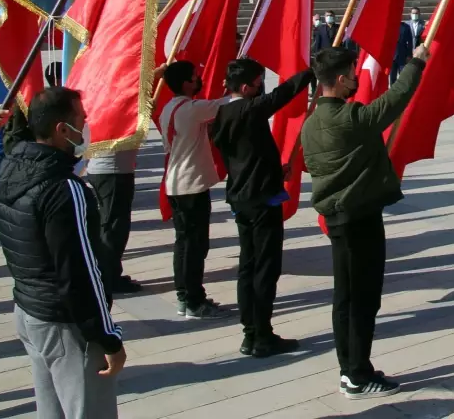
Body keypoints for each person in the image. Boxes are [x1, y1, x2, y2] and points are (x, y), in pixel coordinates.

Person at [300, 44, 427, 399]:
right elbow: (395, 100)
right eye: (352, 74)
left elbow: (312, 165)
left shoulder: (311, 124)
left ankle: (351, 368)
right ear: (340, 81)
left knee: (345, 298)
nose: (356, 79)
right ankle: (357, 375)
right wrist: (417, 61)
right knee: (363, 301)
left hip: (338, 219)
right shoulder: (348, 118)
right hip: (358, 218)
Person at [0, 90, 125, 418]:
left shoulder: (9, 169)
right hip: (66, 323)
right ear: (62, 129)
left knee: (51, 410)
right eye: (82, 120)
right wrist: (107, 337)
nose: (87, 125)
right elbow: (81, 272)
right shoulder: (64, 189)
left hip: (29, 310)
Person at [210, 59, 314, 357]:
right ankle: (263, 335)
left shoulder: (221, 114)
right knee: (265, 269)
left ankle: (250, 332)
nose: (261, 89)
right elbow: (281, 95)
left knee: (248, 266)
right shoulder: (246, 109)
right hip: (260, 201)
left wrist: (272, 170)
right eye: (257, 84)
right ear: (245, 88)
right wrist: (309, 73)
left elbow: (246, 154)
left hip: (242, 196)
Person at [157, 62, 230, 320]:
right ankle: (194, 300)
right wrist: (235, 88)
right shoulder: (191, 109)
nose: (199, 80)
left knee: (184, 243)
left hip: (177, 183)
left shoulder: (170, 107)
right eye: (195, 77)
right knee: (195, 245)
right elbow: (226, 104)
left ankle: (184, 295)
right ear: (187, 83)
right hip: (190, 185)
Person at [84, 135, 143, 295]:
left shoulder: (99, 109)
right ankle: (109, 279)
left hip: (108, 168)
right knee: (113, 228)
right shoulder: (112, 110)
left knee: (113, 226)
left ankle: (111, 273)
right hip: (111, 170)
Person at [391, 8, 425, 85]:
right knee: (392, 77)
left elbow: (410, 41)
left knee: (404, 75)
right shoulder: (392, 26)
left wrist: (409, 54)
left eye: (416, 13)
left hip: (406, 54)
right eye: (413, 13)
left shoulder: (406, 26)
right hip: (393, 55)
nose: (414, 15)